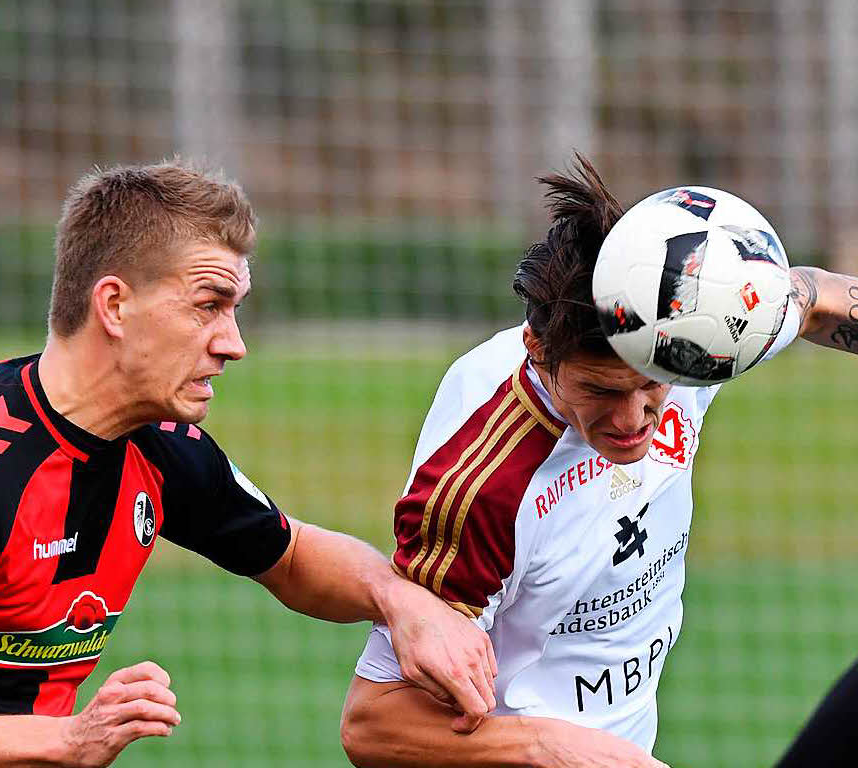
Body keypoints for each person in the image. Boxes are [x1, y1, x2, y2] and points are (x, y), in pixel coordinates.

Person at [0, 162, 498, 767]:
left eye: (234, 311)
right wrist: (65, 740)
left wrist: (402, 602)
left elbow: (291, 553)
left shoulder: (159, 443)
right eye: (209, 305)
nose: (234, 344)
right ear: (114, 305)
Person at [339, 154, 858, 768]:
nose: (636, 417)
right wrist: (549, 747)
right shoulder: (483, 487)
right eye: (602, 392)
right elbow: (373, 724)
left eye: (651, 388)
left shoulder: (692, 333)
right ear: (538, 350)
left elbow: (813, 295)